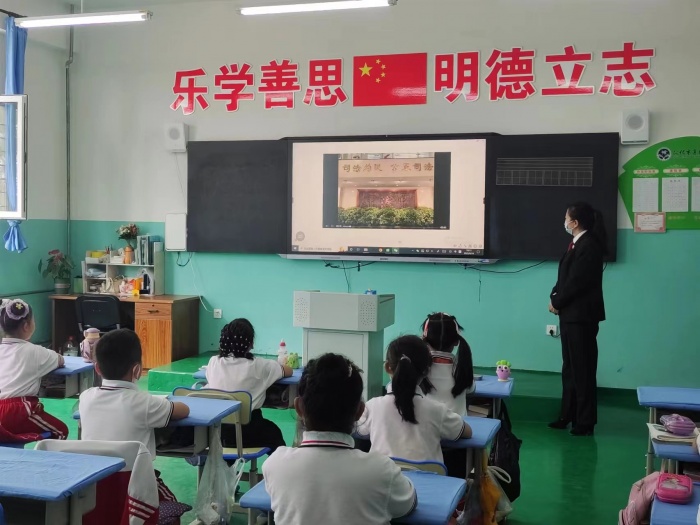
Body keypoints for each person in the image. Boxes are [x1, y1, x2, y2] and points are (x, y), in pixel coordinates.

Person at [263, 353, 417, 525]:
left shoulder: (275, 465)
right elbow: (407, 505)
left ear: (299, 407)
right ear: (360, 411)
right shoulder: (382, 470)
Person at [79, 329, 190, 502]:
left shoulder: (86, 397)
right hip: (136, 489)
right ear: (137, 370)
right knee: (172, 504)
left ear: (97, 368)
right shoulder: (144, 402)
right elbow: (183, 410)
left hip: (93, 487)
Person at [357, 335, 472, 467]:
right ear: (426, 371)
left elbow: (359, 430)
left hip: (383, 477)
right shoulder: (437, 410)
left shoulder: (373, 406)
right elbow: (466, 432)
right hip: (429, 480)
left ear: (387, 367)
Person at [549, 202, 607, 436]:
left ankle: (585, 421)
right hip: (570, 315)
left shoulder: (589, 245)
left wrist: (558, 302)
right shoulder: (576, 243)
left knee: (583, 369)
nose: (564, 222)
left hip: (582, 317)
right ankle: (567, 415)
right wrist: (554, 296)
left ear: (575, 222)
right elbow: (564, 278)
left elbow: (577, 282)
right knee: (570, 368)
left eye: (566, 218)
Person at [205, 318, 292, 452]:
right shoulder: (259, 366)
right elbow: (288, 371)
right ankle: (281, 465)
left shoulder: (213, 362)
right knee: (274, 434)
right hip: (250, 432)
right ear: (250, 344)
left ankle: (227, 465)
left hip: (219, 432)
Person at [0, 298, 68, 442]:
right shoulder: (35, 352)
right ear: (26, 326)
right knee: (61, 431)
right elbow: (60, 360)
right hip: (19, 409)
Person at [421, 312, 475, 416]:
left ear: (425, 339)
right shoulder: (462, 369)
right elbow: (471, 390)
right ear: (456, 341)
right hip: (458, 426)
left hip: (425, 426)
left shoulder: (417, 370)